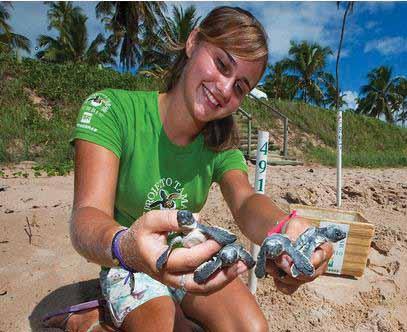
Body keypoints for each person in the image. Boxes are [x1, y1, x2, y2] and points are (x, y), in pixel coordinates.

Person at [44, 6, 333, 332]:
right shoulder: (113, 110)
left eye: (240, 87)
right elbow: (87, 216)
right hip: (128, 259)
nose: (225, 89)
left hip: (190, 248)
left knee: (251, 329)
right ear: (193, 42)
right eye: (222, 64)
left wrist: (285, 227)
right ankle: (89, 322)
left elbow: (245, 200)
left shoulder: (219, 145)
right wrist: (127, 246)